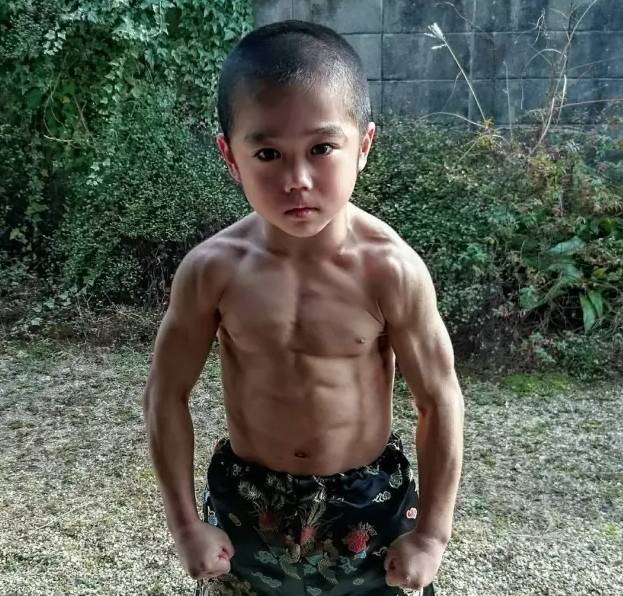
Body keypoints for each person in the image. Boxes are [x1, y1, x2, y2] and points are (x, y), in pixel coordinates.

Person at [143, 20, 464, 596]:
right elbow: (166, 395)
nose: (297, 179)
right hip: (248, 501)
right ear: (230, 156)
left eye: (321, 148)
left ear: (363, 146)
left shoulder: (390, 270)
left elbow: (438, 400)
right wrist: (186, 525)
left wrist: (432, 535)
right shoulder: (212, 270)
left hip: (369, 502)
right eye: (268, 153)